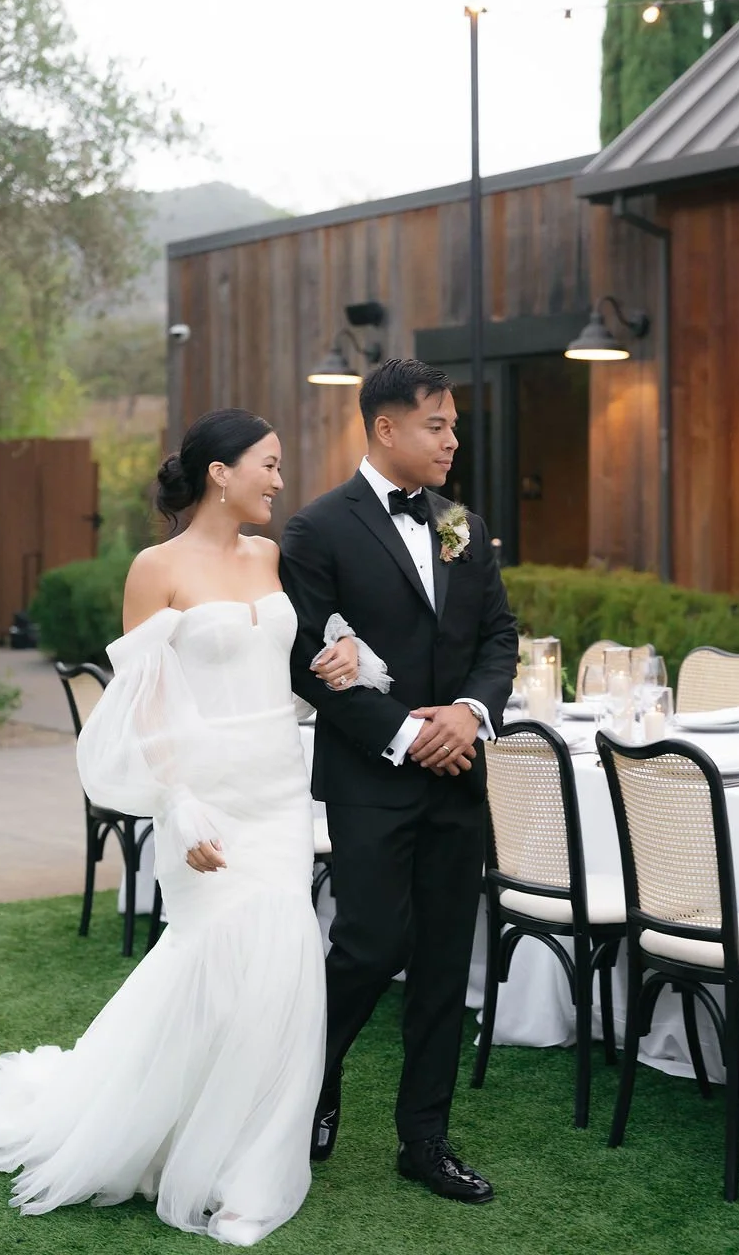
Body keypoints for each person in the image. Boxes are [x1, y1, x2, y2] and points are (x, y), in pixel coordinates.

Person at [0, 408, 371, 1247]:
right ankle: (163, 1133)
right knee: (213, 965)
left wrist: (341, 664)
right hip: (206, 794)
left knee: (286, 968)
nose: (279, 479)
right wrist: (177, 798)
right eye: (268, 463)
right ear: (220, 473)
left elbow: (281, 678)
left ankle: (250, 1167)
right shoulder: (155, 569)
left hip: (275, 790)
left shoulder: (272, 556)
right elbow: (146, 704)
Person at [280, 358, 518, 1205]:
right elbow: (309, 663)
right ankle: (310, 1081)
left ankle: (424, 1139)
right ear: (385, 429)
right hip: (371, 778)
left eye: (453, 426)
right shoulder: (316, 531)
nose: (453, 440)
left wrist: (469, 713)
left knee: (449, 959)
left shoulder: (460, 523)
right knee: (371, 945)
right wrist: (410, 734)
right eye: (438, 425)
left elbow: (498, 636)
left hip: (459, 778)